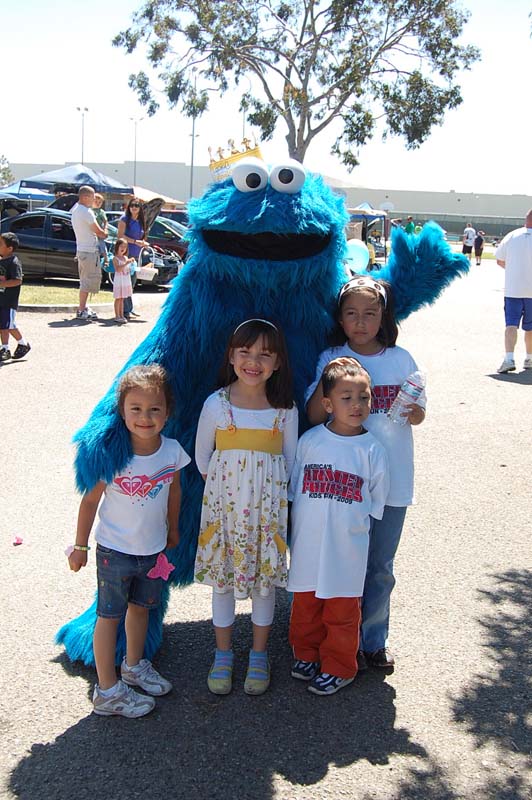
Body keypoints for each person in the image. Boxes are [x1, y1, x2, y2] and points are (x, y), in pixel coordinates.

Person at [305, 276, 426, 669]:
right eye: (351, 313)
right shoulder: (331, 357)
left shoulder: (401, 359)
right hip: (343, 483)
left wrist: (413, 410)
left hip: (393, 481)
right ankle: (339, 640)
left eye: (370, 314)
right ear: (340, 318)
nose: (360, 322)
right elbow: (313, 415)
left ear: (383, 317)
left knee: (379, 567)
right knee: (342, 563)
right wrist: (330, 380)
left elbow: (419, 415)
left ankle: (373, 640)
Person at [67, 364, 191, 717]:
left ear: (167, 412)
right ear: (122, 411)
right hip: (114, 553)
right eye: (135, 408)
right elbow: (89, 501)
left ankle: (134, 666)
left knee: (141, 609)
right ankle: (107, 691)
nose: (145, 417)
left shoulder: (172, 451)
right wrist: (80, 546)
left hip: (153, 551)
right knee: (109, 617)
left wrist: (173, 529)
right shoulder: (113, 457)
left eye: (154, 409)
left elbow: (175, 492)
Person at [194, 318, 299, 696]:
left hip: (266, 516)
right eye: (245, 352)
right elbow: (203, 458)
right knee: (222, 583)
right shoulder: (217, 404)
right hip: (225, 515)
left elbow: (291, 462)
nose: (253, 361)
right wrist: (232, 490)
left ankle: (258, 654)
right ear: (231, 356)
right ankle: (223, 655)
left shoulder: (285, 409)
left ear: (278, 363)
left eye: (265, 355)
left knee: (264, 586)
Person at [288, 357, 389, 695]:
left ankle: (340, 666)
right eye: (346, 398)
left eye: (363, 397)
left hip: (347, 549)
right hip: (308, 544)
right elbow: (295, 489)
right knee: (306, 606)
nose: (356, 405)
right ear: (328, 404)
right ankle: (306, 654)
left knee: (342, 612)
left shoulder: (372, 450)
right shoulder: (310, 441)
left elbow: (376, 500)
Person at [495, 209, 532, 373]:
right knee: (530, 327)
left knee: (511, 324)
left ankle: (509, 358)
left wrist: (514, 270)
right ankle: (529, 358)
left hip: (513, 289)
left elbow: (500, 260)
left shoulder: (512, 235)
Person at [71, 185, 108, 320]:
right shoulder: (87, 212)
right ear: (86, 197)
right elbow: (99, 232)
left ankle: (84, 307)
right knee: (87, 282)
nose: (94, 200)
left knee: (85, 280)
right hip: (89, 251)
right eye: (93, 197)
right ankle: (81, 310)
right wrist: (106, 231)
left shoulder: (76, 209)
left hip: (82, 250)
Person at [0, 232, 31, 362]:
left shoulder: (14, 262)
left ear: (9, 248)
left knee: (6, 326)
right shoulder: (1, 260)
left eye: (0, 244)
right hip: (1, 299)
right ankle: (20, 344)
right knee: (6, 325)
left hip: (8, 301)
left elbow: (17, 280)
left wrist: (2, 284)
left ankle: (7, 348)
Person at [117, 198, 149, 320]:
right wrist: (135, 241)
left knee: (132, 282)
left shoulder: (141, 221)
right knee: (126, 283)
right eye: (132, 205)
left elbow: (143, 236)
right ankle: (126, 310)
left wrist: (143, 243)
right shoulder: (124, 220)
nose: (134, 208)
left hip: (136, 255)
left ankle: (129, 308)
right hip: (126, 254)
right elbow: (120, 236)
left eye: (136, 206)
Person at [111, 238, 135, 324]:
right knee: (118, 298)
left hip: (125, 280)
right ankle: (117, 315)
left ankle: (121, 315)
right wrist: (126, 263)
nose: (123, 248)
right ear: (117, 246)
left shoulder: (125, 257)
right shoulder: (115, 258)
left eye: (125, 247)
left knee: (122, 299)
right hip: (119, 281)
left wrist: (131, 264)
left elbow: (127, 269)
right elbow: (118, 269)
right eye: (121, 246)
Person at [92, 193, 109, 268]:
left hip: (100, 231)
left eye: (100, 202)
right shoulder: (89, 210)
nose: (98, 204)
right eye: (96, 201)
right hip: (92, 232)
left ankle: (106, 259)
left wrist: (105, 229)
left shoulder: (101, 212)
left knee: (102, 244)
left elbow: (105, 221)